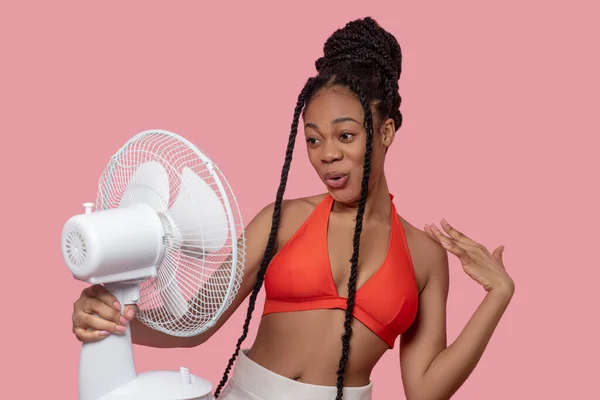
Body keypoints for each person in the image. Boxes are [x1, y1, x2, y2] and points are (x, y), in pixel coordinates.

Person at [70, 17, 515, 400]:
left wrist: (498, 296)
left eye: (345, 135)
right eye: (313, 139)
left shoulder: (425, 256)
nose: (326, 155)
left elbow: (425, 389)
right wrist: (114, 322)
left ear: (386, 131)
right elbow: (196, 324)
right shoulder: (283, 220)